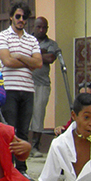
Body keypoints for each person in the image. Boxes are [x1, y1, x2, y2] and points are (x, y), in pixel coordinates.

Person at [0, 1, 42, 173]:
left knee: (23, 130)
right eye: (18, 16)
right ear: (11, 17)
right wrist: (28, 62)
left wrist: (20, 55)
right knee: (10, 130)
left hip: (28, 90)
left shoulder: (32, 40)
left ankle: (21, 169)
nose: (21, 20)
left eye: (24, 17)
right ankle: (8, 167)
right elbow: (6, 60)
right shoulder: (2, 36)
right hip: (9, 89)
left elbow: (38, 63)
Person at [29, 17, 60, 149]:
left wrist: (32, 56)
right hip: (25, 83)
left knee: (39, 114)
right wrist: (41, 54)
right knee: (25, 114)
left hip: (42, 84)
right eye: (38, 27)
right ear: (33, 27)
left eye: (44, 27)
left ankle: (35, 146)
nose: (41, 30)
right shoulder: (26, 40)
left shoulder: (51, 44)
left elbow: (51, 58)